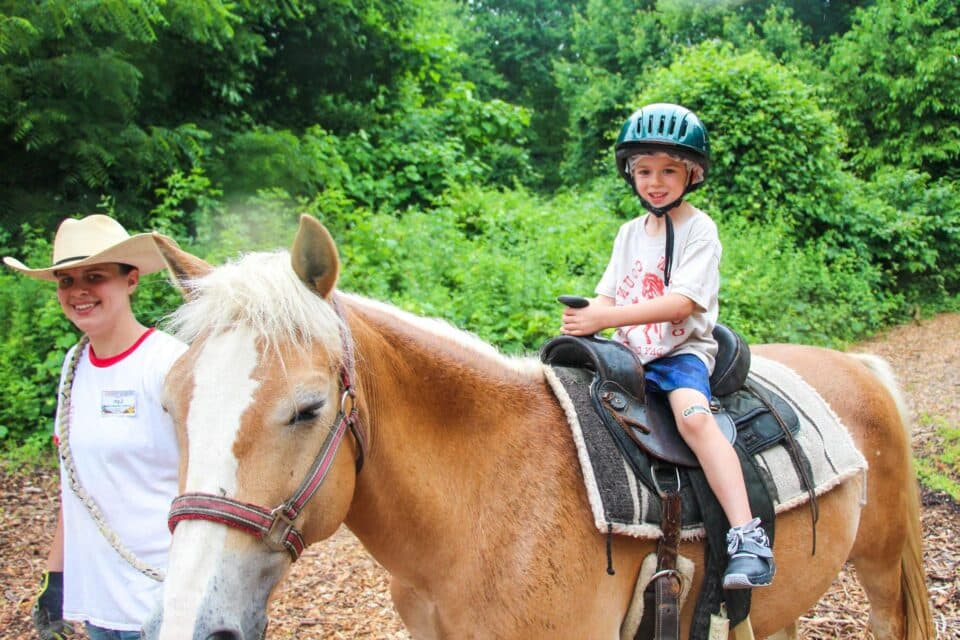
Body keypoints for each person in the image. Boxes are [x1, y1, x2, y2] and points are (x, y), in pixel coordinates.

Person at [560, 103, 775, 589]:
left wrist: (605, 317)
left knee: (694, 419)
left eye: (668, 170)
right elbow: (609, 294)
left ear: (692, 173)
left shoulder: (701, 229)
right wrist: (584, 318)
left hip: (680, 355)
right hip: (629, 352)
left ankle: (747, 535)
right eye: (644, 171)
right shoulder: (628, 233)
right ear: (630, 175)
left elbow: (681, 305)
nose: (655, 182)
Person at [4, 214, 187, 638]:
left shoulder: (168, 364)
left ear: (131, 280)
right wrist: (56, 578)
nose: (78, 291)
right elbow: (76, 483)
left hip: (165, 600)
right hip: (100, 603)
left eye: (95, 276)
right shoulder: (74, 366)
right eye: (66, 280)